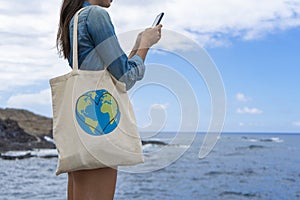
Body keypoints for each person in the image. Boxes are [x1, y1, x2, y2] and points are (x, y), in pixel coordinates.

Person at [56, 0, 162, 199]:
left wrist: (138, 44)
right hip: (100, 130)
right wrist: (146, 45)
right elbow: (126, 78)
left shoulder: (75, 18)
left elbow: (115, 75)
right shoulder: (95, 15)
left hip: (84, 128)